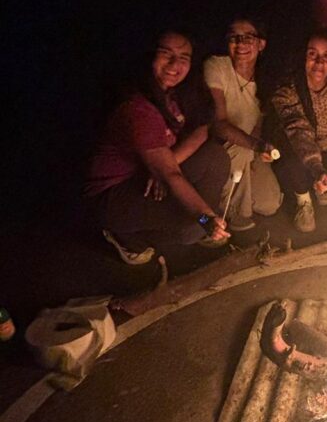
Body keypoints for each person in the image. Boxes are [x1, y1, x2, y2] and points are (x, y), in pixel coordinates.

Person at [84, 31, 230, 263]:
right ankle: (127, 238)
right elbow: (171, 174)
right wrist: (204, 217)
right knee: (192, 224)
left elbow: (202, 129)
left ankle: (205, 220)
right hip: (114, 195)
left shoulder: (172, 93)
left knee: (215, 156)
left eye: (183, 57)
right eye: (166, 53)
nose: (174, 64)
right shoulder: (138, 109)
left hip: (150, 173)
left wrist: (164, 165)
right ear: (149, 55)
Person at [203, 17, 282, 231]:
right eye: (234, 37)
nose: (241, 44)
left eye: (248, 37)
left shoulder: (265, 80)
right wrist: (254, 146)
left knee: (270, 203)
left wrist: (261, 150)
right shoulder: (217, 67)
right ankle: (227, 214)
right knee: (241, 151)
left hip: (248, 147)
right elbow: (219, 124)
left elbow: (258, 124)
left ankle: (235, 196)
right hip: (219, 147)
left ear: (261, 44)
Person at [267, 35, 327, 233]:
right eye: (313, 55)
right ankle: (303, 200)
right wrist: (316, 166)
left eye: (326, 56)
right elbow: (298, 130)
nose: (320, 62)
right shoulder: (287, 91)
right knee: (295, 164)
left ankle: (322, 187)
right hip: (299, 146)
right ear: (302, 57)